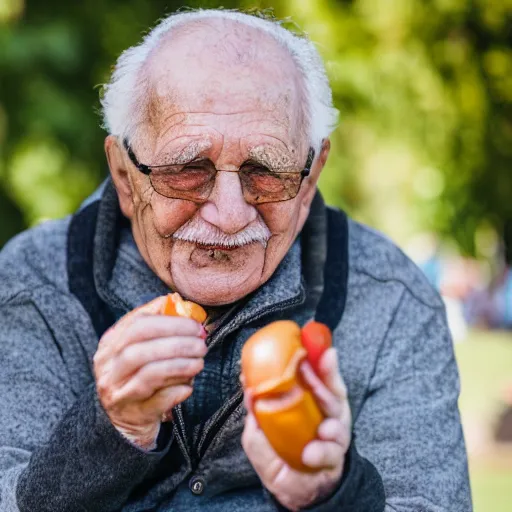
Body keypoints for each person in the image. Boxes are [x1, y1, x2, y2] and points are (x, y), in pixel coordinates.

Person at [0, 9, 472, 512]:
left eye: (266, 171)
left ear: (310, 179)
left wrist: (332, 493)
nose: (229, 215)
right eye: (187, 169)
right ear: (123, 174)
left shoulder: (390, 299)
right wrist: (113, 429)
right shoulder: (33, 286)